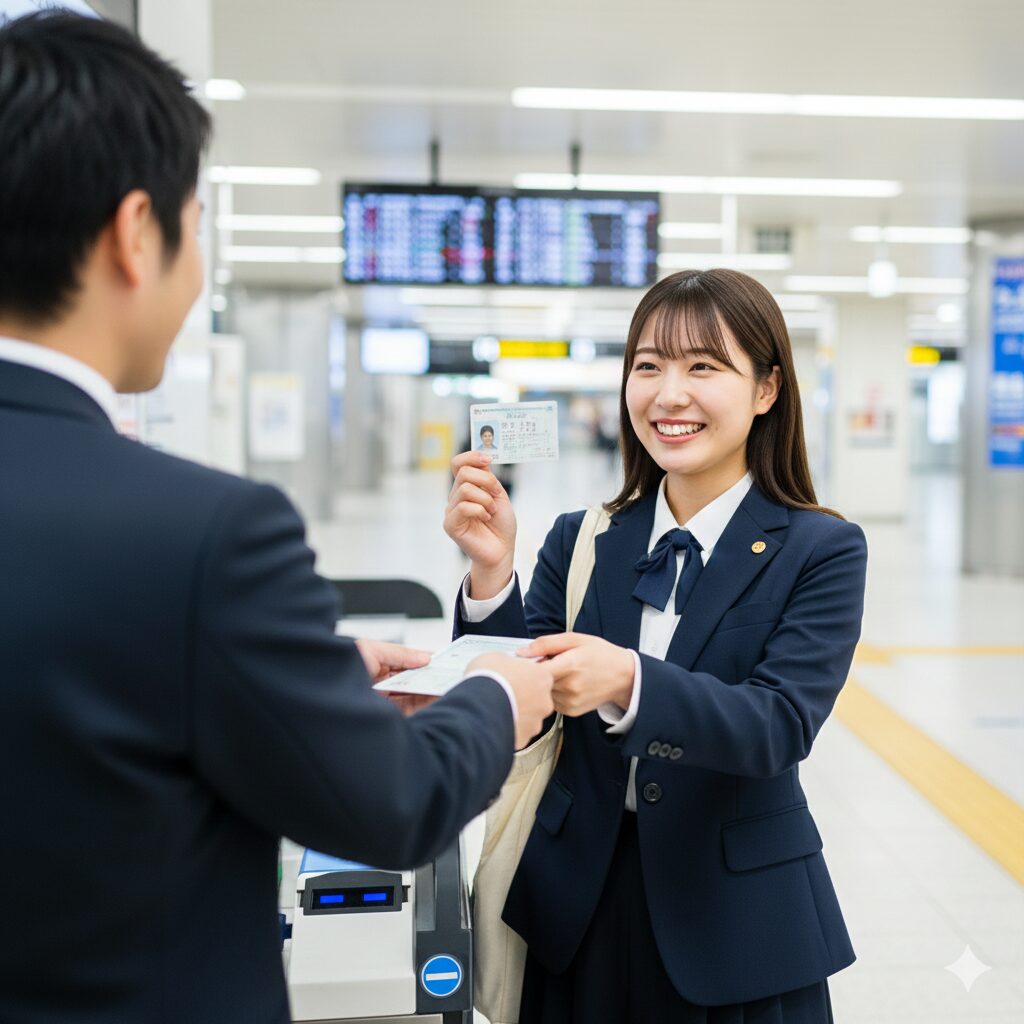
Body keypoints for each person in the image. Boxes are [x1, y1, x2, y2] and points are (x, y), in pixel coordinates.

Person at [0, 12, 553, 1024]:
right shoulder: (204, 533)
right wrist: (496, 695)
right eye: (197, 223)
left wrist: (292, 681)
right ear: (136, 233)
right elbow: (391, 803)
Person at [444, 269, 868, 1023]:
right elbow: (521, 710)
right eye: (648, 366)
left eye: (703, 366)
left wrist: (629, 682)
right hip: (578, 907)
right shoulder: (583, 539)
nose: (669, 395)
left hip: (738, 924)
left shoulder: (822, 549)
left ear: (767, 389)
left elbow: (779, 725)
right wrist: (490, 573)